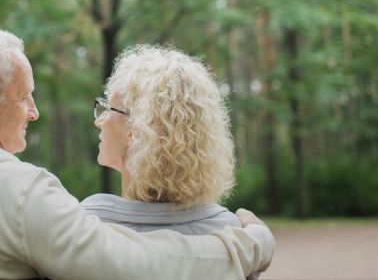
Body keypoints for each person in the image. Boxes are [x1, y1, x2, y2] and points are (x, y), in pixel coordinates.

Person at [0, 26, 274, 279]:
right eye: (24, 98)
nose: (35, 112)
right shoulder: (19, 192)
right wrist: (250, 244)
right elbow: (134, 267)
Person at [81, 45, 263, 278]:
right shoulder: (231, 234)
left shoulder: (90, 224)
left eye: (107, 108)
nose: (100, 121)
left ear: (135, 128)